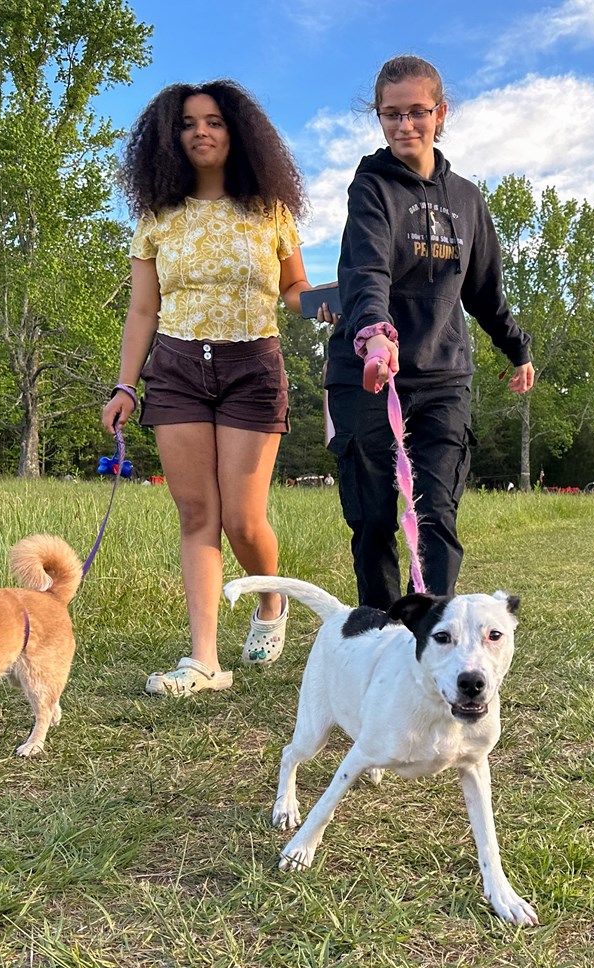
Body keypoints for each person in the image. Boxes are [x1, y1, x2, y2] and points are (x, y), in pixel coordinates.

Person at [102, 80, 323, 697]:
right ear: (170, 137)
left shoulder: (269, 210)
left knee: (245, 520)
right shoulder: (156, 218)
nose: (202, 131)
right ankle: (203, 661)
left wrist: (334, 303)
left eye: (216, 122)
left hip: (253, 366)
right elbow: (142, 310)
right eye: (189, 123)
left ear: (238, 133)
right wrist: (125, 386)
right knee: (198, 514)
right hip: (176, 370)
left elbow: (294, 291)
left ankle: (270, 602)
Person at [322, 55, 534, 609]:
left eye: (417, 112)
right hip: (370, 372)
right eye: (390, 114)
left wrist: (518, 350)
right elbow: (366, 270)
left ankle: (433, 636)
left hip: (443, 376)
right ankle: (381, 634)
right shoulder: (369, 188)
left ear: (441, 113)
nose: (403, 126)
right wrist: (374, 334)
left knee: (435, 510)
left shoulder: (466, 198)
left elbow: (484, 290)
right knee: (372, 519)